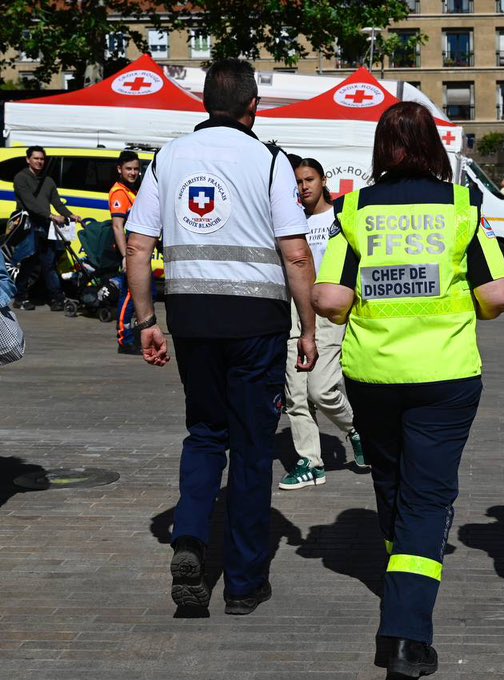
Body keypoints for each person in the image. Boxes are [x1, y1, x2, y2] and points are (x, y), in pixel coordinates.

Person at [313, 101, 504, 678]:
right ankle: (404, 634)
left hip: (372, 372)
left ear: (382, 148)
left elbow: (330, 299)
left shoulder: (353, 209)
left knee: (391, 483)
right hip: (446, 373)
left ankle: (399, 572)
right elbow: (498, 295)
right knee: (427, 501)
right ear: (433, 147)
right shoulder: (460, 206)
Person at [124, 59, 317, 616]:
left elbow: (138, 246)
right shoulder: (272, 160)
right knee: (253, 448)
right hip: (257, 322)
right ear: (253, 107)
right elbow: (296, 252)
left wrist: (146, 323)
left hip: (192, 318)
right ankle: (244, 582)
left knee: (205, 434)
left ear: (203, 103)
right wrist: (308, 328)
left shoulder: (168, 158)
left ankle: (188, 540)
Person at [278, 158, 365, 490]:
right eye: (299, 182)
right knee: (296, 396)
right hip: (295, 312)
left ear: (323, 180)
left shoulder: (341, 218)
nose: (304, 187)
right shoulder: (291, 220)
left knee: (322, 389)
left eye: (309, 179)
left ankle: (356, 429)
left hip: (328, 310)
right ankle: (310, 463)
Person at [12, 146, 80, 311]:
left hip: (45, 227)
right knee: (29, 263)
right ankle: (20, 297)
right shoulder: (21, 178)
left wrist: (71, 215)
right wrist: (51, 216)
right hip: (29, 226)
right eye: (36, 158)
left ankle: (56, 299)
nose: (39, 161)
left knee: (49, 264)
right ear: (28, 159)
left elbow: (57, 203)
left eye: (42, 159)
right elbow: (31, 204)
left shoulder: (48, 180)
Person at [109, 150, 143, 354]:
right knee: (130, 294)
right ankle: (124, 339)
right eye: (129, 169)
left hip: (137, 251)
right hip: (129, 253)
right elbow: (117, 226)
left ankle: (136, 335)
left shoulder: (132, 190)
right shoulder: (119, 192)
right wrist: (125, 256)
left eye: (136, 169)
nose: (133, 173)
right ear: (119, 169)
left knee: (144, 293)